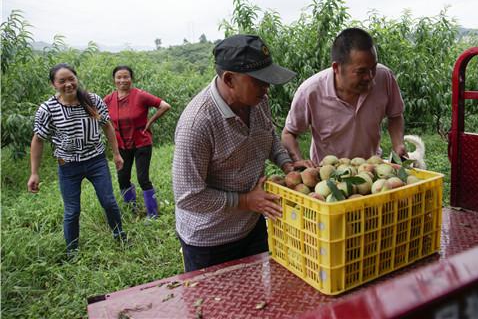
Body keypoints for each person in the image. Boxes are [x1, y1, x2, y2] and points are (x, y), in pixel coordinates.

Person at [172, 34, 312, 272]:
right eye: (260, 81)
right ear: (229, 79)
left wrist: (288, 165)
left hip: (251, 225)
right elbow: (188, 196)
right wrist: (246, 200)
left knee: (255, 299)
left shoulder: (257, 101)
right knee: (215, 307)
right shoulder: (197, 124)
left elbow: (267, 137)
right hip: (210, 240)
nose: (266, 89)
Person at [27, 63, 126, 258]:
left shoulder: (92, 100)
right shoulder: (48, 109)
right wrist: (34, 172)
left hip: (96, 161)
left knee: (108, 202)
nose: (68, 84)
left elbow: (107, 126)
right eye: (62, 81)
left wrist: (116, 154)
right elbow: (38, 139)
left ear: (76, 79)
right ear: (53, 84)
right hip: (68, 166)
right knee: (72, 211)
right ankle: (72, 252)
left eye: (71, 79)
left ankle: (120, 236)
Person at [282, 27, 407, 165]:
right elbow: (289, 134)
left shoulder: (384, 77)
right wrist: (299, 163)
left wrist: (398, 144)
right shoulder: (310, 92)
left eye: (373, 68)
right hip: (329, 176)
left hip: (371, 170)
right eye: (361, 71)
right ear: (336, 68)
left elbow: (395, 115)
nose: (370, 77)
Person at [104, 65, 171, 218]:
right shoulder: (109, 99)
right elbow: (96, 112)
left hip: (142, 143)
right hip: (121, 145)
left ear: (131, 79)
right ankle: (131, 209)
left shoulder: (140, 95)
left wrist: (150, 121)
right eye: (119, 77)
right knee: (123, 178)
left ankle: (153, 213)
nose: (122, 80)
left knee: (143, 178)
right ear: (114, 80)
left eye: (126, 77)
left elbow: (165, 106)